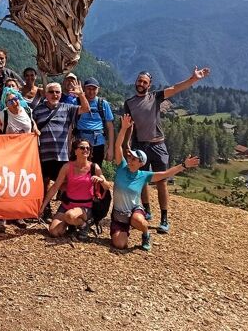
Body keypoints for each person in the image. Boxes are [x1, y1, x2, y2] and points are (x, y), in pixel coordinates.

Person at [124, 67, 211, 234]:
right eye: (139, 81)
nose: (141, 84)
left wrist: (193, 79)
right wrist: (127, 145)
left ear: (150, 85)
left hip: (158, 145)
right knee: (142, 180)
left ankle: (164, 218)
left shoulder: (155, 97)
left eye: (144, 82)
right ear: (136, 82)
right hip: (140, 145)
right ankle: (147, 211)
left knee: (161, 181)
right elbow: (129, 126)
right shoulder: (129, 103)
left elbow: (175, 88)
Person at [111, 114, 200, 251]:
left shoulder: (143, 175)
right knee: (120, 244)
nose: (130, 160)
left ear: (141, 163)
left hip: (134, 211)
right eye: (130, 157)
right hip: (118, 215)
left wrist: (184, 165)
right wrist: (124, 128)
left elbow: (165, 174)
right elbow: (118, 146)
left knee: (139, 221)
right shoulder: (122, 166)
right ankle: (124, 231)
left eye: (134, 159)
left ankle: (145, 233)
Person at [40, 139, 109, 240]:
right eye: (82, 148)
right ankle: (72, 225)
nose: (85, 150)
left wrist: (101, 180)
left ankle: (84, 225)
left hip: (85, 207)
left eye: (88, 148)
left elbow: (107, 187)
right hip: (67, 204)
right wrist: (43, 207)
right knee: (54, 232)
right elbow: (55, 187)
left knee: (70, 215)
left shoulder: (94, 167)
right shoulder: (67, 167)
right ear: (75, 151)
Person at [31, 82, 78, 221]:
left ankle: (65, 210)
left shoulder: (68, 108)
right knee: (45, 182)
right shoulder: (38, 110)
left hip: (62, 153)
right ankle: (46, 210)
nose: (54, 94)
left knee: (65, 182)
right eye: (51, 92)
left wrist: (80, 94)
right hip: (44, 153)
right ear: (45, 94)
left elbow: (85, 109)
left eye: (57, 92)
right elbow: (31, 123)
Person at [0, 87, 38, 233]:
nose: (14, 102)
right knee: (6, 185)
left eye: (16, 99)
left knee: (19, 184)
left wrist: (36, 130)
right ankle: (3, 218)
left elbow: (31, 124)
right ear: (5, 103)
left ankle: (18, 215)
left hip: (24, 155)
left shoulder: (27, 111)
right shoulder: (3, 114)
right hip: (8, 154)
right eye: (10, 101)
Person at [75, 77, 115, 167]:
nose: (91, 91)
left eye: (94, 89)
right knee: (80, 169)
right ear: (84, 88)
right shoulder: (77, 101)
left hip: (99, 142)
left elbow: (110, 127)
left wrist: (110, 148)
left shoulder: (103, 104)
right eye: (89, 88)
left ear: (98, 89)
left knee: (96, 169)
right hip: (80, 141)